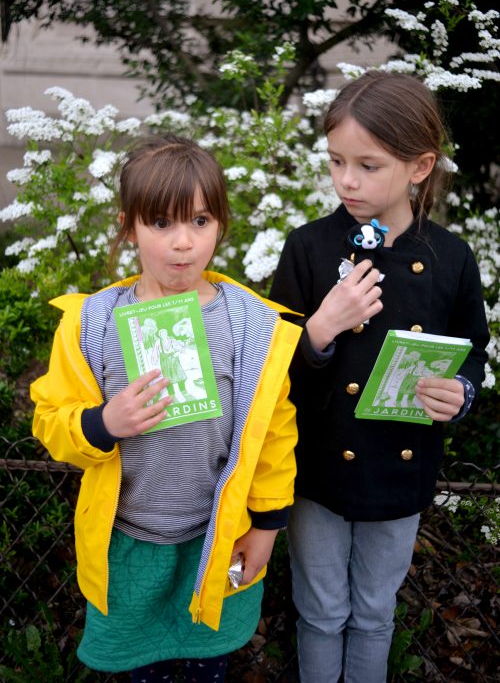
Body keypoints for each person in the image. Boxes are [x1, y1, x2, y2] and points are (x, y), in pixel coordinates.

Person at [31, 135, 302, 683]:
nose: (184, 243)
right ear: (129, 226)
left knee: (207, 669)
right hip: (129, 543)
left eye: (200, 221)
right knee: (140, 672)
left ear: (221, 224)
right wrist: (102, 423)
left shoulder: (250, 324)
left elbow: (273, 432)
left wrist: (268, 525)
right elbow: (48, 418)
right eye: (161, 223)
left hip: (215, 538)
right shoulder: (92, 322)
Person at [269, 71, 489, 683]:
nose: (346, 180)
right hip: (316, 471)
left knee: (372, 612)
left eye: (368, 165)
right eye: (337, 160)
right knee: (319, 611)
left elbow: (473, 349)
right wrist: (320, 329)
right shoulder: (309, 248)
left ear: (420, 167)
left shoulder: (451, 257)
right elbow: (270, 368)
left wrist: (461, 392)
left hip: (400, 469)